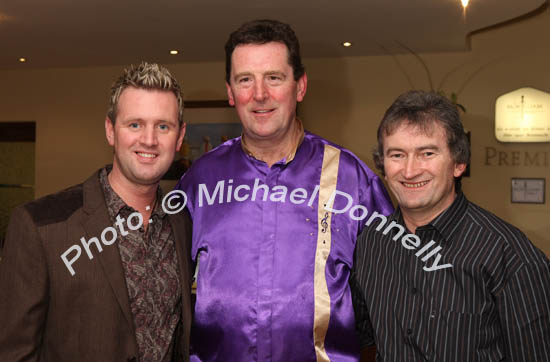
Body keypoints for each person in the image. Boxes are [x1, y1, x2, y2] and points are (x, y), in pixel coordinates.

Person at [175, 19, 393, 361]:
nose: (259, 94)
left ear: (300, 86)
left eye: (274, 78)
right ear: (230, 92)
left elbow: (390, 302)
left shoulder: (353, 180)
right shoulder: (198, 182)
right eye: (245, 79)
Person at [0, 62, 193, 362]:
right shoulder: (41, 226)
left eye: (163, 126)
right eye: (135, 124)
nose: (149, 140)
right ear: (110, 131)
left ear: (179, 138)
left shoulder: (184, 223)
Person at [351, 90, 550, 361]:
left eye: (427, 153)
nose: (409, 171)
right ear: (383, 165)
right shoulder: (371, 243)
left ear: (458, 163)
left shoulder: (511, 256)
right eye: (397, 155)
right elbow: (363, 338)